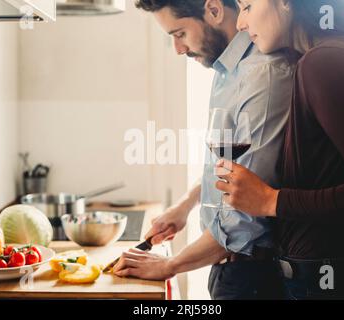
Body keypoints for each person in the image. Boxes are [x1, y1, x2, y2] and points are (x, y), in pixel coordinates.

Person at [215, 0, 344, 299]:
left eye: (248, 6)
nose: (240, 23)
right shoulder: (339, 53)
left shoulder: (326, 62)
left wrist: (271, 201)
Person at [113, 0, 294, 299]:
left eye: (180, 33)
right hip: (230, 271)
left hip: (253, 279)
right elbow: (229, 164)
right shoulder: (228, 70)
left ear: (213, 10)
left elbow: (244, 219)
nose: (178, 49)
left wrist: (170, 265)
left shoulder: (263, 75)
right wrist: (185, 205)